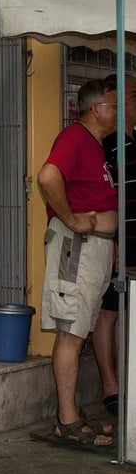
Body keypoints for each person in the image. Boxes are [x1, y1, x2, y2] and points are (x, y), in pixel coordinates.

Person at [36, 77, 118, 449]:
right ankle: (66, 422)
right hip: (78, 246)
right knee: (71, 331)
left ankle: (70, 416)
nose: (118, 113)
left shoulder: (94, 145)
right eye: (114, 106)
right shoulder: (73, 138)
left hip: (93, 247)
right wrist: (71, 219)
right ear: (96, 108)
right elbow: (47, 176)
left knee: (78, 328)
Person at [100, 75, 136, 419]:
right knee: (109, 312)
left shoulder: (133, 140)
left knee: (130, 314)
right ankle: (111, 388)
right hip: (117, 244)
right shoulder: (106, 144)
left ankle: (129, 383)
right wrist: (111, 241)